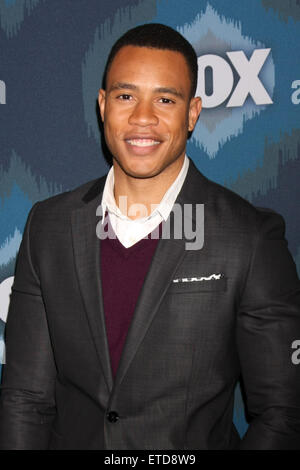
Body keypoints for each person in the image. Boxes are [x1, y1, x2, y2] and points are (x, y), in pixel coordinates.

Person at [0, 23, 300, 450]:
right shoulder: (47, 226)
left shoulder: (248, 238)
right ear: (103, 106)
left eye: (165, 99)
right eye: (126, 96)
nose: (143, 117)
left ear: (193, 112)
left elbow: (283, 412)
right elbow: (25, 399)